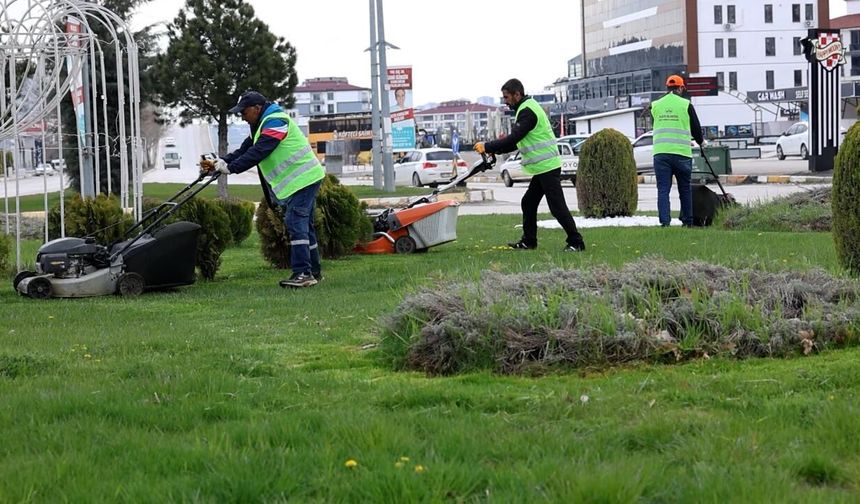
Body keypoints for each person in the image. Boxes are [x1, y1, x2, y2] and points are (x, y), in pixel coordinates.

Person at [201, 90, 325, 288]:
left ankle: (303, 273)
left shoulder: (276, 121)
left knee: (296, 222)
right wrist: (222, 161)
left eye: (244, 111)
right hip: (301, 180)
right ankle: (314, 272)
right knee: (305, 226)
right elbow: (246, 150)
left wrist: (231, 168)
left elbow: (261, 151)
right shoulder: (259, 125)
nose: (241, 116)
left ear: (257, 108)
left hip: (304, 179)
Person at [475, 78, 585, 252]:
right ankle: (529, 242)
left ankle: (576, 242)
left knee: (557, 207)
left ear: (517, 94)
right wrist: (494, 151)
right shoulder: (526, 108)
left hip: (547, 167)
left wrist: (488, 146)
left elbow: (514, 137)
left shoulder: (527, 111)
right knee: (528, 202)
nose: (505, 101)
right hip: (544, 168)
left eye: (507, 97)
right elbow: (516, 143)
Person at [651, 74, 705, 227]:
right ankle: (687, 222)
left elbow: (656, 124)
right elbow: (696, 128)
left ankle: (665, 223)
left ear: (667, 88)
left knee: (663, 190)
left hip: (661, 154)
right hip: (682, 154)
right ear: (680, 88)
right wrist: (700, 142)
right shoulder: (686, 104)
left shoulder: (656, 105)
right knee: (685, 190)